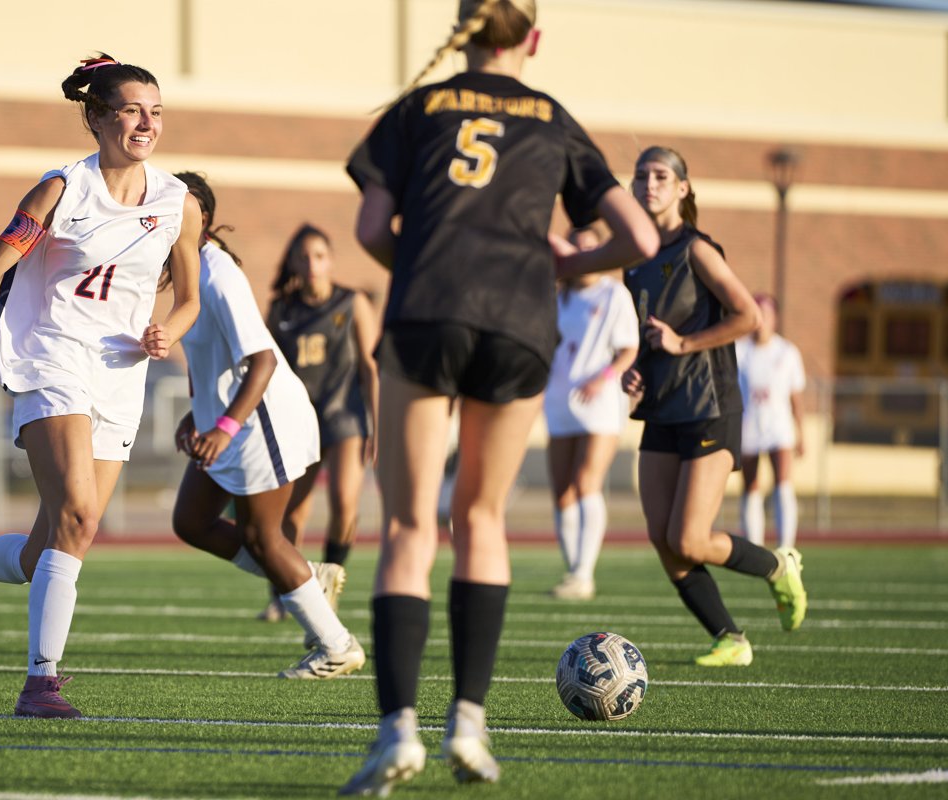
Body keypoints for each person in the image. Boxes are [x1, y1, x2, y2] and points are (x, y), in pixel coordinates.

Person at [340, 1, 659, 794]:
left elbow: (371, 226)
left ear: (463, 31)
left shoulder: (421, 106)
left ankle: (396, 736)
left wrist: (417, 260)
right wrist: (552, 267)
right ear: (533, 38)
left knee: (412, 526)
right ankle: (471, 730)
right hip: (518, 320)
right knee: (481, 519)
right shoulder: (551, 116)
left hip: (427, 309)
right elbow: (640, 240)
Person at [0, 54, 202, 718]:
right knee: (78, 514)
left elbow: (189, 298)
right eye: (132, 109)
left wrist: (168, 331)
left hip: (120, 376)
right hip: (52, 358)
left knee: (53, 542)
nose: (146, 123)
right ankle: (40, 684)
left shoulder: (176, 202)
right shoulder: (60, 190)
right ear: (96, 116)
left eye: (156, 111)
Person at [169, 172, 366, 680]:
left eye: (174, 206)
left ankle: (337, 646)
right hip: (231, 421)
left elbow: (261, 362)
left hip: (261, 423)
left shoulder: (216, 274)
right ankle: (307, 577)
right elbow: (211, 357)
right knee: (191, 521)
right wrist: (196, 414)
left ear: (203, 221)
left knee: (263, 537)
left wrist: (224, 428)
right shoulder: (185, 272)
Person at [622, 145, 808, 671]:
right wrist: (635, 365)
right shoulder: (635, 260)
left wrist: (682, 345)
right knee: (664, 541)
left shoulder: (698, 250)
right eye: (642, 176)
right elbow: (648, 332)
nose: (649, 183)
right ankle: (730, 638)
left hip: (709, 407)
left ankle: (778, 565)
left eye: (661, 176)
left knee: (690, 537)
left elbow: (748, 315)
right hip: (661, 408)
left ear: (683, 188)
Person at [256, 224, 381, 625]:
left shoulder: (353, 302)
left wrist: (378, 425)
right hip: (298, 421)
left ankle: (329, 582)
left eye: (320, 256)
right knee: (292, 514)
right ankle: (283, 593)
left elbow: (371, 366)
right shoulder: (281, 310)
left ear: (331, 261)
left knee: (345, 503)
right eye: (305, 256)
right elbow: (264, 367)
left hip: (345, 416)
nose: (313, 264)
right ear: (293, 262)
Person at [544, 224, 639, 601]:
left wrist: (603, 379)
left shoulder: (614, 294)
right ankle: (572, 573)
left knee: (586, 483)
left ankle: (585, 575)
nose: (583, 257)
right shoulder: (558, 296)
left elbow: (628, 349)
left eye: (590, 249)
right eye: (576, 249)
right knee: (562, 492)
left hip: (598, 403)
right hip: (558, 401)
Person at [736, 294, 806, 548]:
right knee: (751, 487)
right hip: (748, 428)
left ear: (775, 318)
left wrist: (801, 434)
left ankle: (786, 547)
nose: (762, 319)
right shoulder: (739, 351)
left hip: (779, 429)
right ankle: (753, 546)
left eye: (767, 314)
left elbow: (796, 398)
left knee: (783, 485)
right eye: (758, 313)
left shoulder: (787, 352)